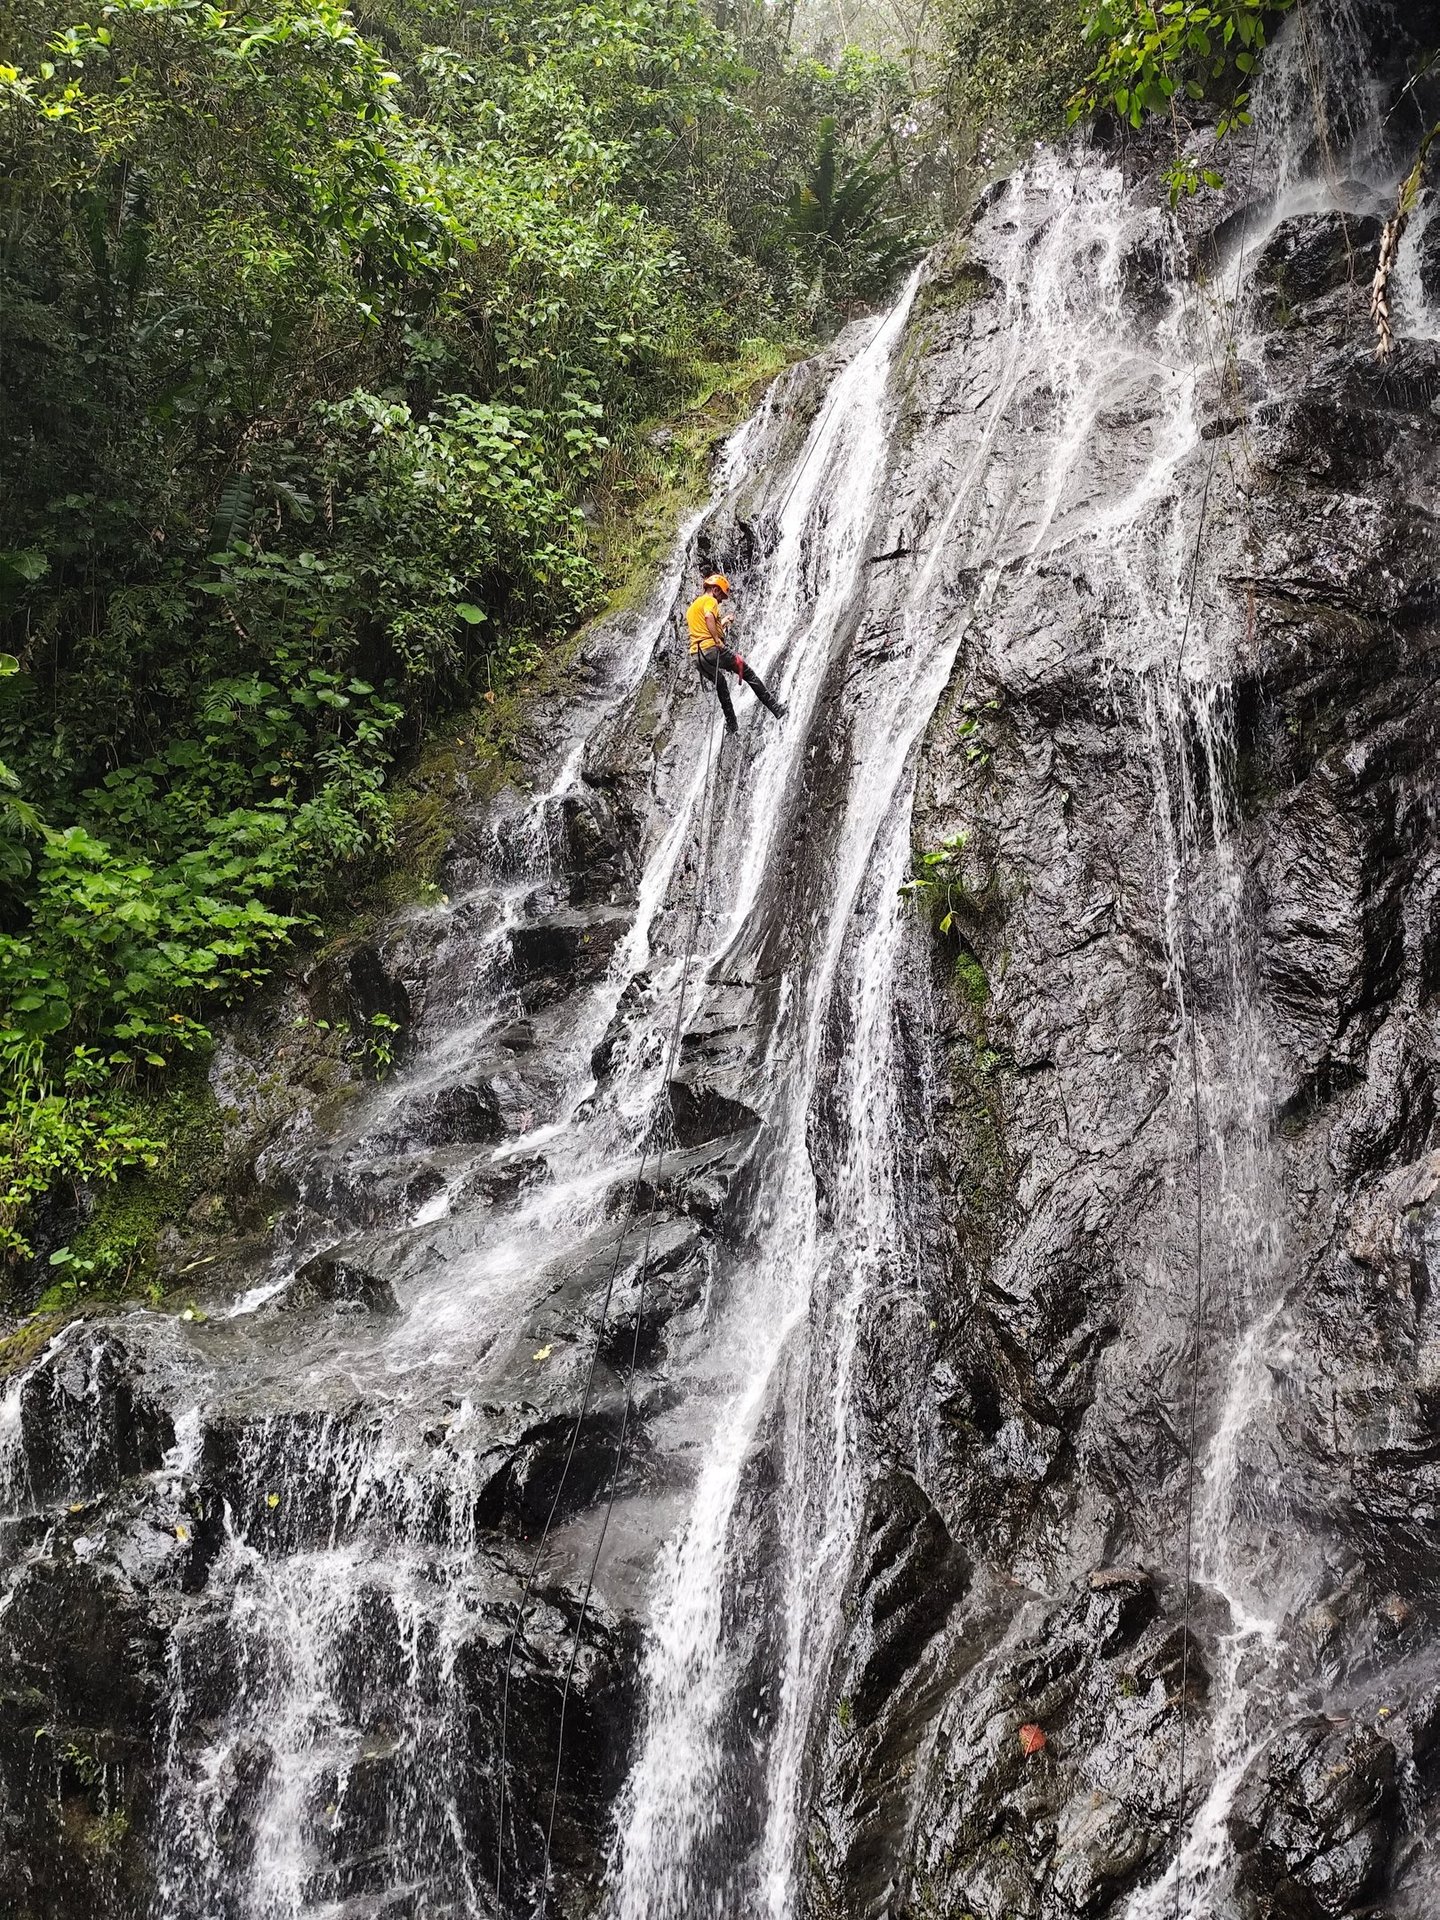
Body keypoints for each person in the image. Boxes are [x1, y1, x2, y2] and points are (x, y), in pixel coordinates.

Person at [685, 573, 787, 734]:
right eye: (721, 597)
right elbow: (708, 616)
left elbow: (703, 625)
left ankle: (732, 725)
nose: (720, 601)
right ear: (715, 589)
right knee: (749, 674)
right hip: (711, 650)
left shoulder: (693, 607)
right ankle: (777, 709)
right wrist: (717, 641)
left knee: (721, 685)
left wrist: (724, 622)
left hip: (697, 657)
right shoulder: (710, 600)